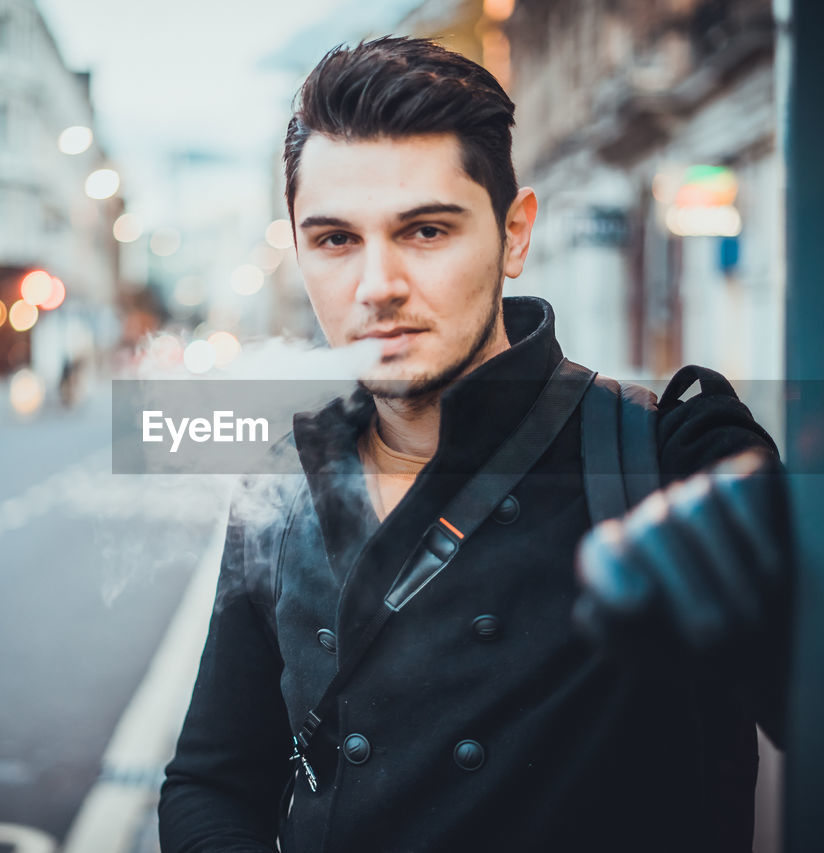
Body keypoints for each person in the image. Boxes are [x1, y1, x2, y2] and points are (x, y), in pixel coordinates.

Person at [159, 37, 792, 853]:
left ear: (514, 233)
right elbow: (213, 780)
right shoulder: (283, 484)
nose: (377, 285)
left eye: (425, 231)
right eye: (335, 239)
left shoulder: (665, 453)